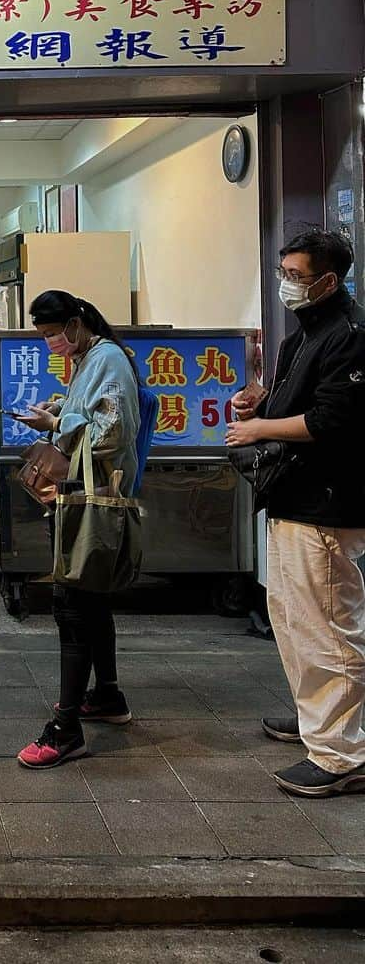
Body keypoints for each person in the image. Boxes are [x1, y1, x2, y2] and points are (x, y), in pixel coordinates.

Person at [227, 229, 365, 798]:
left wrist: (259, 427)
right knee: (294, 623)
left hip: (326, 506)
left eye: (297, 275)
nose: (286, 284)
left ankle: (342, 754)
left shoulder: (350, 337)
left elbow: (333, 421)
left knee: (327, 629)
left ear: (329, 280)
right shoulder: (300, 337)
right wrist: (259, 401)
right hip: (291, 500)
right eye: (283, 272)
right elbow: (299, 403)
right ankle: (319, 722)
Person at [14, 289, 141, 770]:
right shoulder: (93, 356)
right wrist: (63, 410)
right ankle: (107, 695)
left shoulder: (106, 357)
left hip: (91, 501)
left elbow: (111, 431)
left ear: (74, 323)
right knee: (92, 601)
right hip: (84, 494)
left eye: (52, 334)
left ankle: (66, 731)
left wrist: (57, 420)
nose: (50, 344)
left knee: (73, 608)